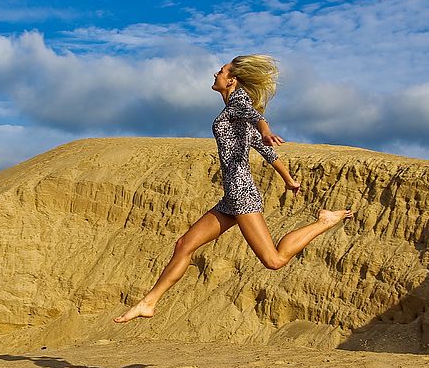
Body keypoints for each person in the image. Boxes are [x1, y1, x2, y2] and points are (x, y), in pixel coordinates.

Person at [113, 54, 353, 324]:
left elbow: (256, 117)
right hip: (232, 196)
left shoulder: (239, 101)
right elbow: (265, 150)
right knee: (184, 245)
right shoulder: (232, 113)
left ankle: (324, 221)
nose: (215, 74)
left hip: (242, 194)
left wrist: (265, 128)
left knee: (274, 260)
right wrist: (288, 179)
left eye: (221, 71)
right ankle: (148, 303)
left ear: (232, 80)